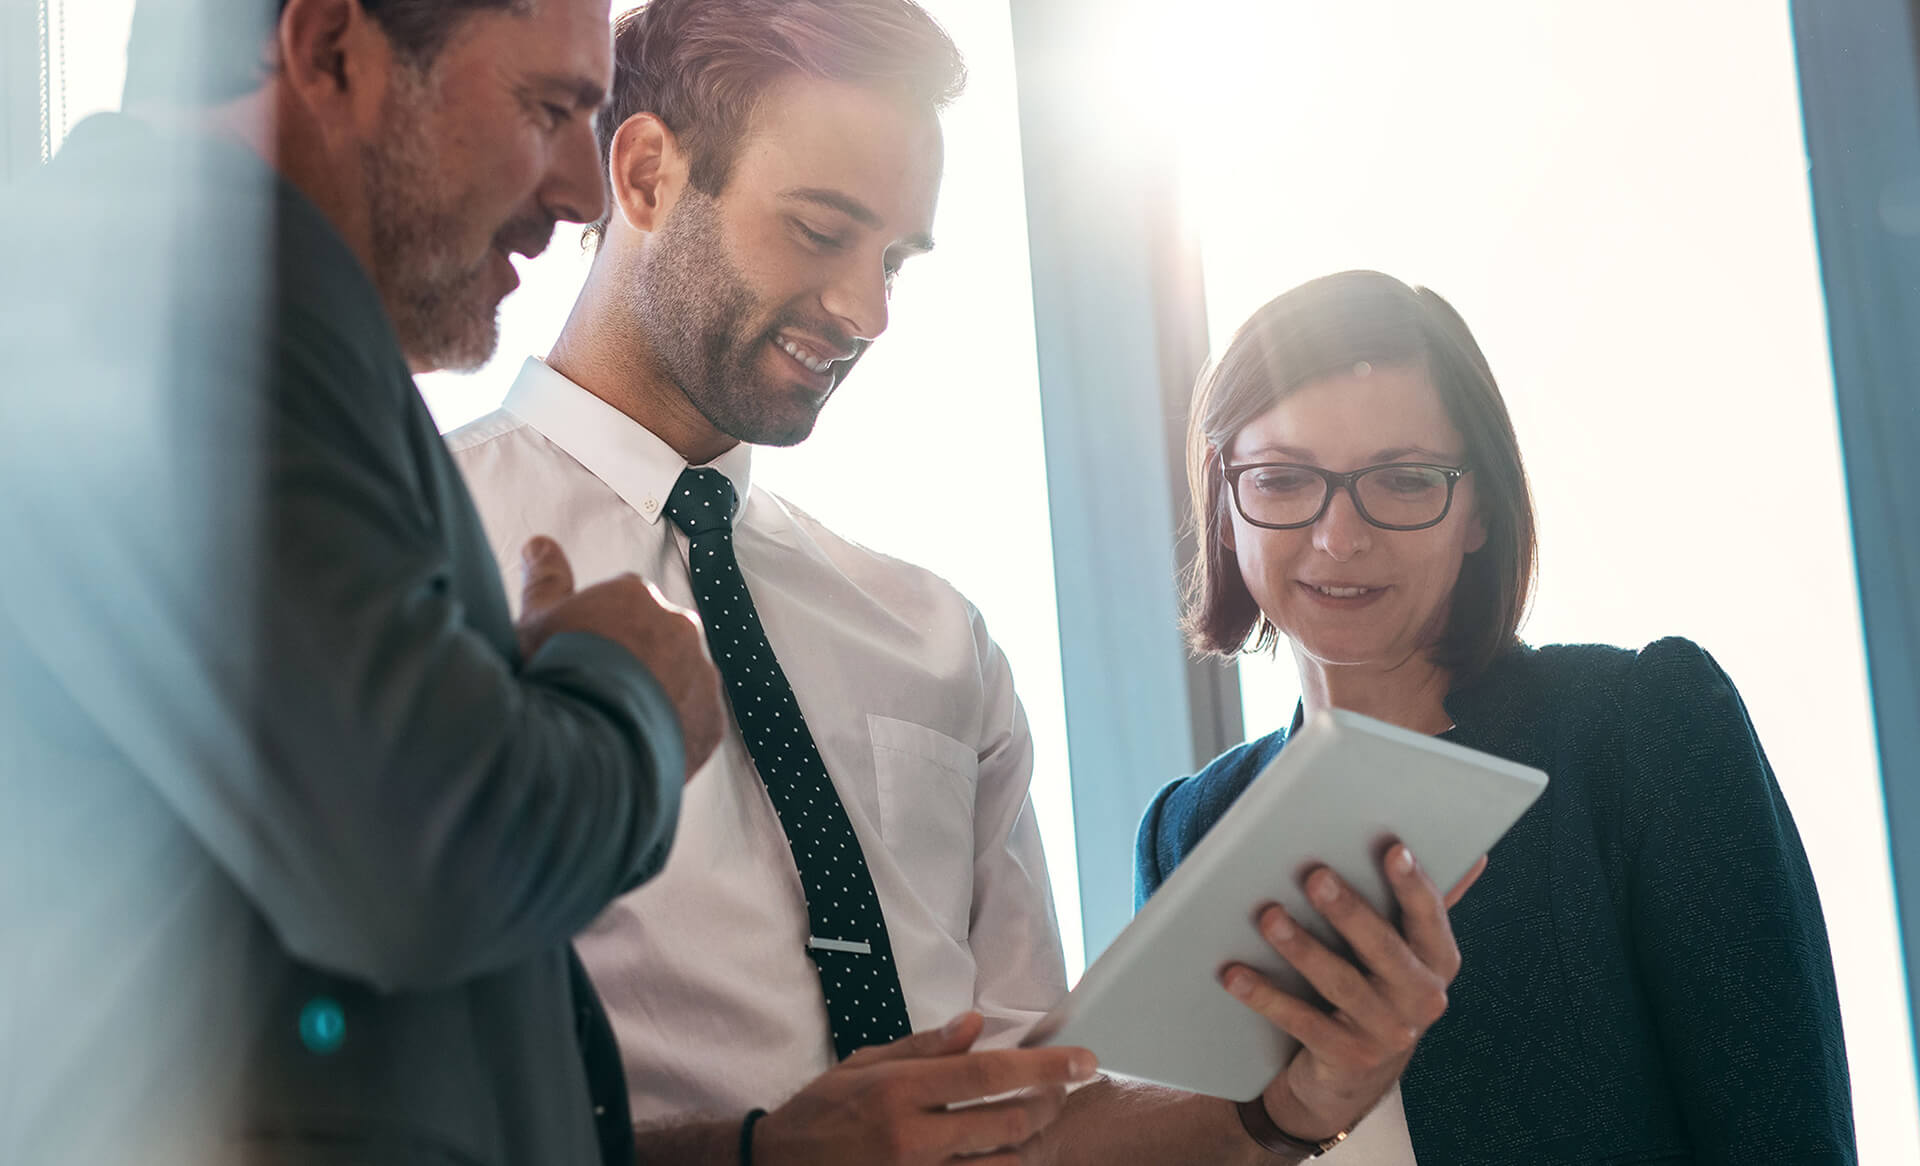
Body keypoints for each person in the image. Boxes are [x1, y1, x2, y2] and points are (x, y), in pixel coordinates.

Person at [449, 4, 1469, 1163]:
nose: (867, 311)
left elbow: (1034, 1110)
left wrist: (1288, 1106)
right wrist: (762, 1154)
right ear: (642, 171)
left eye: (893, 260)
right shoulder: (417, 561)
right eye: (822, 230)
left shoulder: (934, 638)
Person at [0, 1, 724, 1163]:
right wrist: (630, 692)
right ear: (332, 49)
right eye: (547, 109)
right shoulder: (167, 288)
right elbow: (421, 844)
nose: (585, 195)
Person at [1134, 270, 1858, 1163]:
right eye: (1283, 479)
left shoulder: (1639, 732)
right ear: (1224, 498)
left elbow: (1784, 1136)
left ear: (1478, 509)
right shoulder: (1187, 829)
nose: (1339, 538)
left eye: (1401, 481)